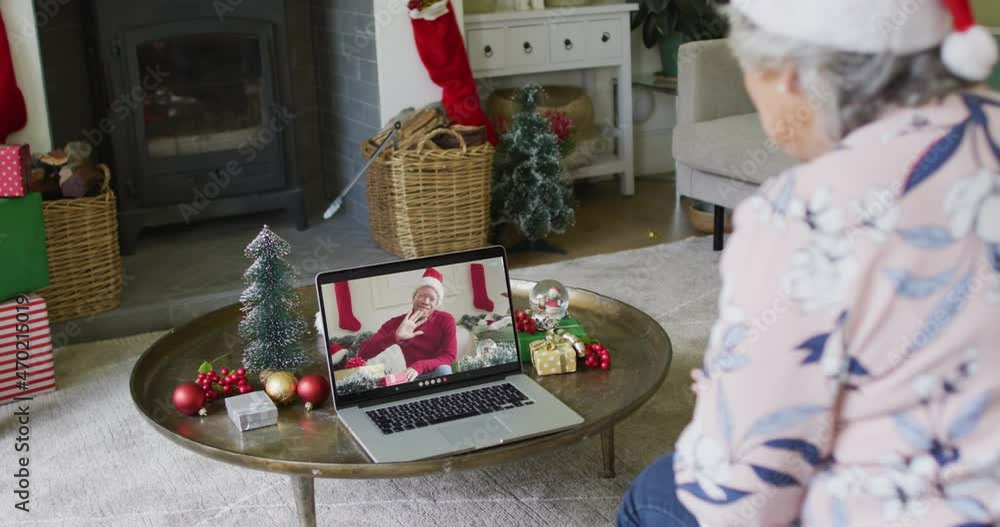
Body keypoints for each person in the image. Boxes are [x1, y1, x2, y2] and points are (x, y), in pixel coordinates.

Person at [620, 1, 1000, 526]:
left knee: (657, 490)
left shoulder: (806, 212)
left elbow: (738, 499)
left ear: (793, 77)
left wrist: (723, 398)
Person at [357, 268, 457, 382]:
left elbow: (449, 357)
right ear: (413, 297)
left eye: (432, 299)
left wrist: (419, 366)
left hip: (437, 373)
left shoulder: (446, 320)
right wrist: (394, 336)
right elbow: (363, 353)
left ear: (436, 304)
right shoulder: (398, 323)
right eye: (422, 295)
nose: (426, 301)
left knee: (444, 370)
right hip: (413, 377)